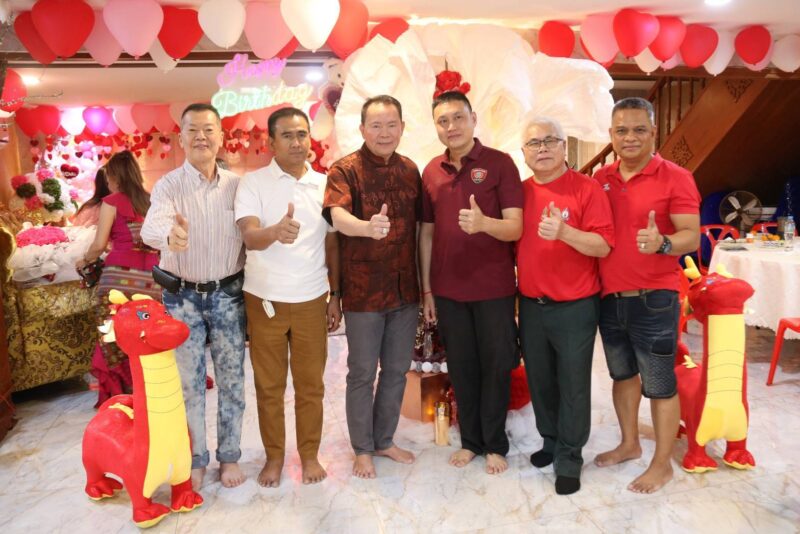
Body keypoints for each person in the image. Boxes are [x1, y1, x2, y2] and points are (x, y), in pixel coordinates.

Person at [593, 97, 701, 494]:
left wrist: (663, 243)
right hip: (609, 297)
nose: (630, 137)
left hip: (655, 298)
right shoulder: (601, 178)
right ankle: (630, 444)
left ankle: (662, 464)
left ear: (654, 132)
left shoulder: (676, 177)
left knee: (658, 382)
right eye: (622, 130)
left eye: (639, 129)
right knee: (622, 376)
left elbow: (691, 235)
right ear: (611, 134)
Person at [141, 103, 247, 490]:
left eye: (208, 129)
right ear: (181, 138)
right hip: (182, 298)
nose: (201, 136)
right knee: (189, 384)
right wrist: (170, 236)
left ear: (221, 136)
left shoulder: (238, 186)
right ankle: (196, 458)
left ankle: (229, 456)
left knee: (232, 380)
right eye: (192, 130)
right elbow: (152, 227)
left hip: (228, 294)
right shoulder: (169, 185)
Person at [235, 107, 342, 487]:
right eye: (287, 135)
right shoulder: (253, 183)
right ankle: (274, 457)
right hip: (264, 299)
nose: (297, 142)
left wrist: (335, 295)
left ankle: (310, 455)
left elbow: (332, 245)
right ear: (271, 142)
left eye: (302, 134)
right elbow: (249, 236)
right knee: (269, 387)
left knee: (311, 386)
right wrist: (275, 232)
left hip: (312, 298)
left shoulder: (325, 184)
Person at [419, 91, 523, 475]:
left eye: (458, 117)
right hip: (448, 290)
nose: (452, 126)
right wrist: (427, 289)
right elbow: (426, 233)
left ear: (473, 119)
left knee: (495, 366)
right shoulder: (431, 170)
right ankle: (471, 441)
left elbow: (515, 227)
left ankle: (495, 444)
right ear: (436, 127)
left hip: (494, 287)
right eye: (443, 120)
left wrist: (483, 224)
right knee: (461, 368)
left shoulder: (500, 163)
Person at [323, 95, 421, 479]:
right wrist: (366, 227)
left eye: (391, 124)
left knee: (396, 370)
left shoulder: (410, 170)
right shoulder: (344, 170)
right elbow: (336, 216)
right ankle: (362, 448)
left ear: (402, 127)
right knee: (362, 372)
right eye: (376, 125)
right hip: (363, 291)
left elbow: (422, 230)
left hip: (405, 289)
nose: (384, 132)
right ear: (362, 129)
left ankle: (384, 440)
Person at [515, 117, 614, 495]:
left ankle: (570, 458)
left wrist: (564, 232)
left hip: (575, 307)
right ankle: (551, 441)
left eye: (549, 140)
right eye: (533, 143)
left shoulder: (587, 189)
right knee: (540, 381)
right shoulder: (520, 193)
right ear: (523, 153)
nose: (541, 148)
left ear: (564, 146)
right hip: (532, 306)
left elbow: (602, 246)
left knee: (573, 385)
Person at [76, 152, 159, 407]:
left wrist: (84, 260)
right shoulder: (151, 200)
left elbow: (99, 245)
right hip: (151, 281)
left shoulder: (111, 202)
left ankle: (122, 390)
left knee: (113, 333)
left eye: (109, 177)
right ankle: (149, 385)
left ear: (114, 177)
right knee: (146, 331)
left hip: (118, 283)